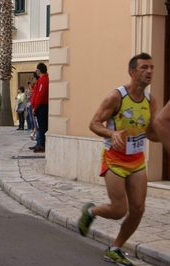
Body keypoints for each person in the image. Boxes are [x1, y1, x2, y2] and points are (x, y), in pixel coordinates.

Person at [77, 53, 157, 266]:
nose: (149, 71)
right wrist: (111, 134)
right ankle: (91, 211)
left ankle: (115, 248)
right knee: (119, 210)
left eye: (151, 67)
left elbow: (150, 131)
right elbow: (94, 123)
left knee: (138, 209)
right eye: (144, 68)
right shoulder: (116, 97)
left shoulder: (150, 100)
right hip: (114, 159)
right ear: (132, 72)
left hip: (137, 160)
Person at [29, 63, 49, 152]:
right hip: (40, 106)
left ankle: (42, 144)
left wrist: (35, 107)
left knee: (42, 126)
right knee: (39, 126)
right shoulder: (41, 80)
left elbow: (40, 95)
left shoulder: (43, 80)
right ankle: (39, 143)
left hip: (41, 106)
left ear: (39, 71)